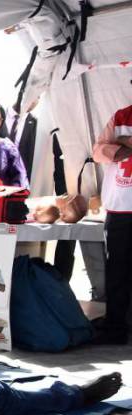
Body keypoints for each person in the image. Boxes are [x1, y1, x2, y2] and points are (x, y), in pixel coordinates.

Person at [90, 101, 132, 345]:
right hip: (120, 206)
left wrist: (124, 144)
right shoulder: (120, 116)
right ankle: (116, 327)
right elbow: (97, 151)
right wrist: (122, 147)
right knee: (117, 270)